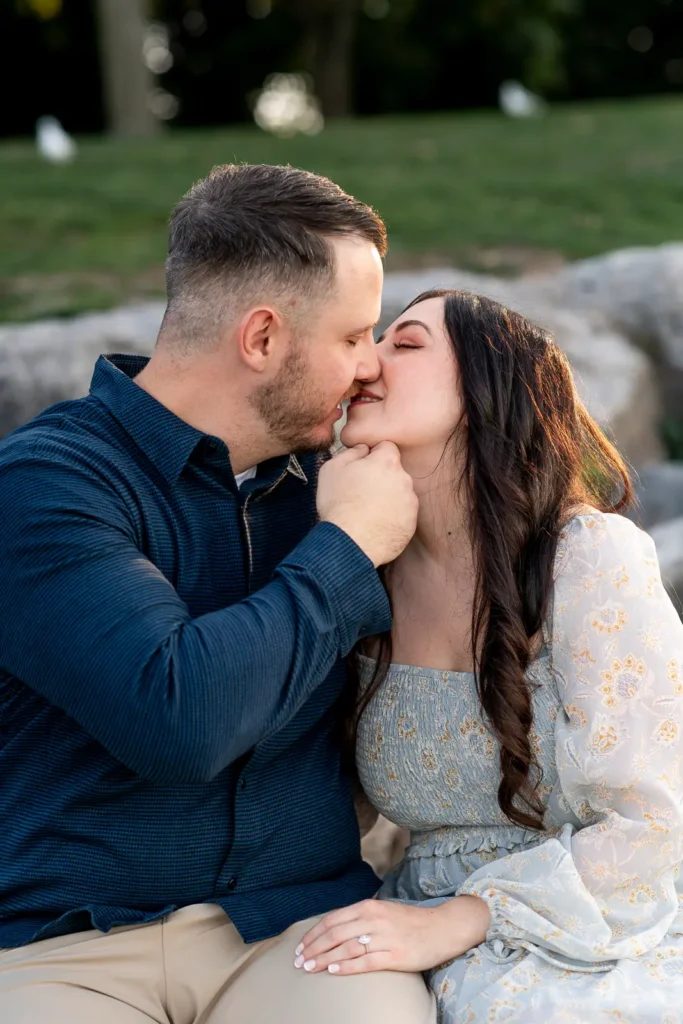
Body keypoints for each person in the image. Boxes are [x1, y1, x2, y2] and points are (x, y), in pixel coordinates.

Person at [0, 164, 436, 1024]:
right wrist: (345, 551)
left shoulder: (345, 476)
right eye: (353, 337)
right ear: (263, 338)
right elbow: (178, 717)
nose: (369, 366)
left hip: (301, 933)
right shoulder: (45, 485)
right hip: (62, 950)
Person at [293, 290, 683, 1023]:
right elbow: (321, 807)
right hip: (419, 927)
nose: (365, 361)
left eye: (404, 344)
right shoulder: (360, 567)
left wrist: (463, 917)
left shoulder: (586, 559)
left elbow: (655, 827)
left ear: (485, 386)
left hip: (601, 925)